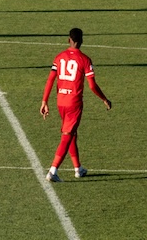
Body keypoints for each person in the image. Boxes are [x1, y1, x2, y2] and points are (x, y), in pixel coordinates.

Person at [40, 28, 112, 182]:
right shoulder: (85, 60)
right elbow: (92, 85)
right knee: (67, 135)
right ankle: (53, 171)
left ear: (68, 40)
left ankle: (78, 168)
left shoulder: (59, 57)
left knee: (71, 132)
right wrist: (104, 99)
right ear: (82, 41)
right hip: (74, 103)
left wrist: (44, 101)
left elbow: (50, 80)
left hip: (61, 101)